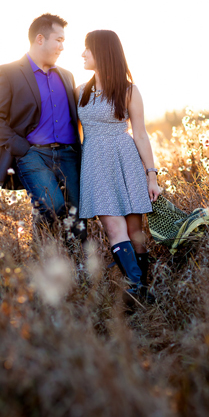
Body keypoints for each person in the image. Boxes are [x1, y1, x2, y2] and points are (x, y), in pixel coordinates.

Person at [0, 13, 85, 243]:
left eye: (63, 41)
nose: (62, 47)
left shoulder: (67, 76)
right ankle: (45, 258)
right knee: (54, 206)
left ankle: (76, 268)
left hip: (69, 155)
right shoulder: (8, 72)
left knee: (78, 216)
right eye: (58, 40)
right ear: (40, 39)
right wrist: (23, 149)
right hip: (33, 154)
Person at [75, 30, 160, 303]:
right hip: (95, 166)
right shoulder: (79, 92)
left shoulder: (129, 90)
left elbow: (141, 135)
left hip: (126, 162)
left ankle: (142, 289)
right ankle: (137, 290)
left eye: (87, 49)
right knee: (114, 229)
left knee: (136, 232)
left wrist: (152, 176)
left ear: (102, 52)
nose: (83, 54)